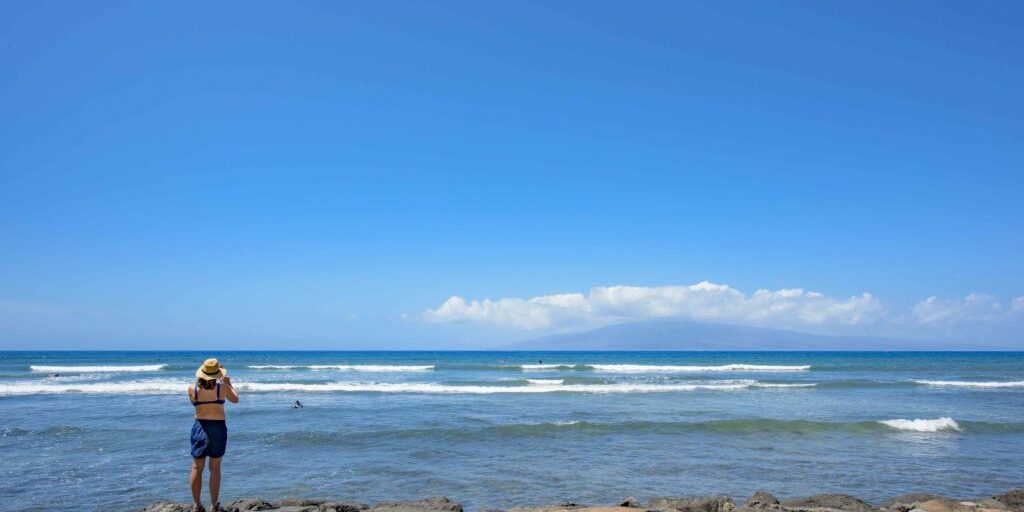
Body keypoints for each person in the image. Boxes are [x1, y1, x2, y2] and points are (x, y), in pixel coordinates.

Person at [187, 358, 239, 512]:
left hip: (199, 427)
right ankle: (214, 505)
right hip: (217, 428)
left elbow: (195, 404)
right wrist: (228, 383)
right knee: (215, 468)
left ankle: (197, 506)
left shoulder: (192, 388)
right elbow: (235, 399)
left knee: (197, 467)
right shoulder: (222, 387)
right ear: (217, 373)